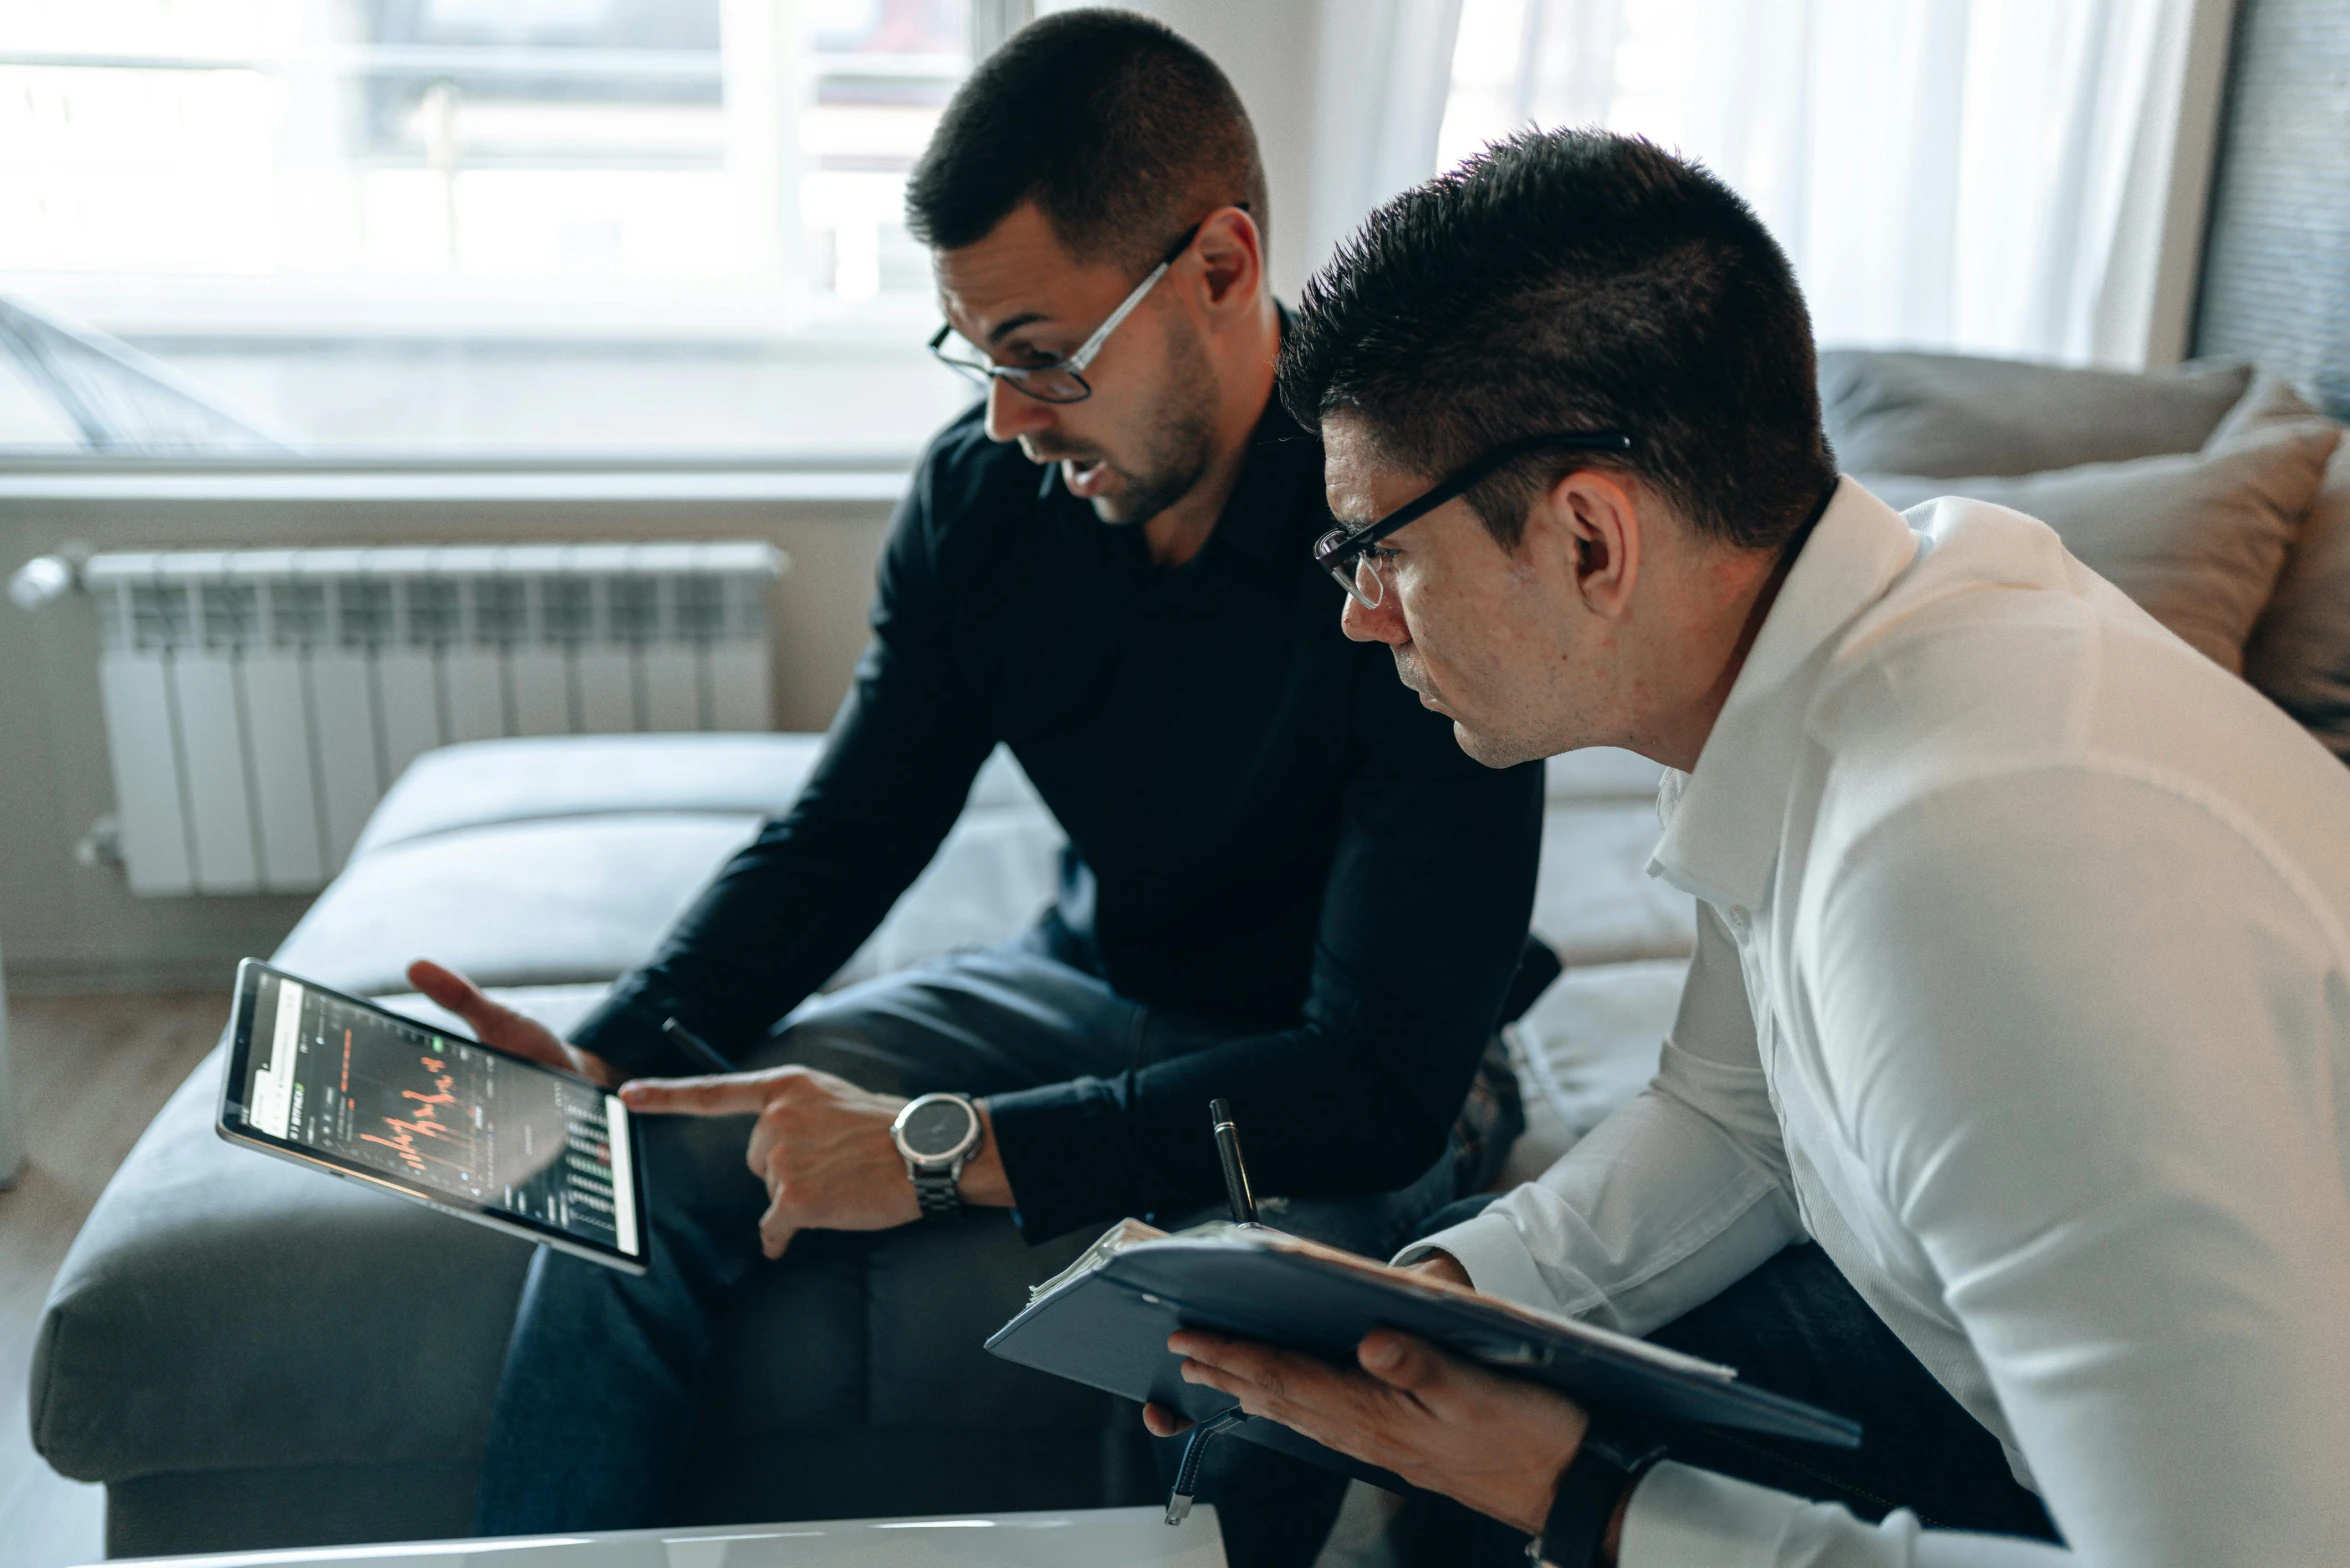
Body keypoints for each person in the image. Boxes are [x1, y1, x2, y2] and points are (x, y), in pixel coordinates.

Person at [407, 14, 1548, 1567]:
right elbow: (846, 832)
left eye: (1042, 355)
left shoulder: (1415, 526)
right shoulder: (981, 501)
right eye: (977, 356)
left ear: (1220, 268)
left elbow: (1370, 1085)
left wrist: (943, 1148)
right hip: (1089, 981)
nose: (1007, 417)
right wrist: (614, 1052)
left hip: (1348, 1062)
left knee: (1272, 1332)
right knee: (651, 1155)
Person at [1152, 128, 2350, 1566]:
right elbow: (1743, 1116)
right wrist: (1425, 1300)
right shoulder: (1835, 646)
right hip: (2037, 1392)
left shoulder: (1966, 885)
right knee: (1456, 1328)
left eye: (1377, 550)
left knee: (1480, 1512)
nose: (1359, 616)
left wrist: (1584, 1499)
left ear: (1592, 541)